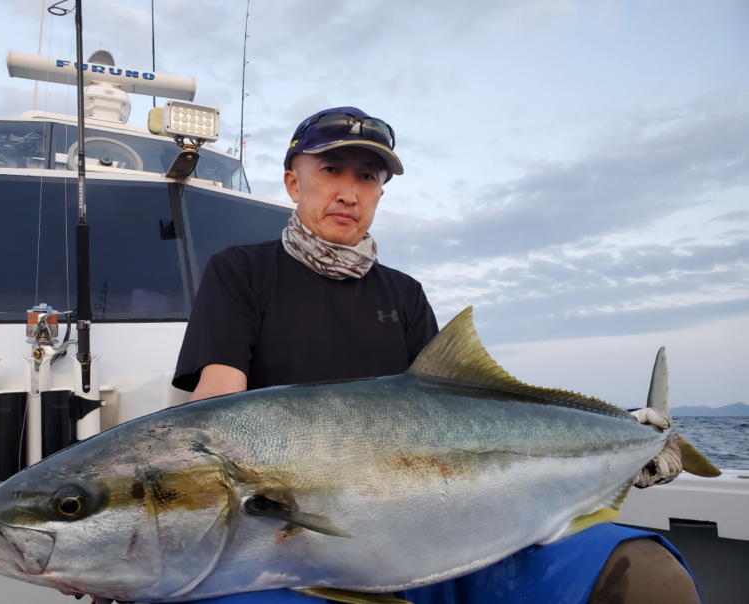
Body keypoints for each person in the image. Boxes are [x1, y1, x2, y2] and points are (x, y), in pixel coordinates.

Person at [172, 107, 697, 603]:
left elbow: (459, 407)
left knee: (646, 571)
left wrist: (629, 445)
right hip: (293, 548)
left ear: (380, 193)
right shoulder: (241, 272)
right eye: (332, 169)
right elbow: (218, 402)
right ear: (293, 181)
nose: (348, 193)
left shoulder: (403, 294)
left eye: (367, 178)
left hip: (430, 530)